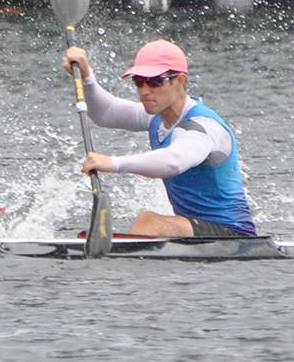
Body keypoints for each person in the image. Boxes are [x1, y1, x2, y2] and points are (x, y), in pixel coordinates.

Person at [60, 39, 256, 237]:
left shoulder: (203, 126)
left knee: (149, 222)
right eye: (138, 81)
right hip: (195, 230)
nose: (145, 91)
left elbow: (174, 161)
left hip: (233, 236)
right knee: (148, 222)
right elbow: (105, 111)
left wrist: (113, 163)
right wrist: (86, 77)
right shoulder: (157, 118)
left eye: (155, 81)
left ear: (179, 81)